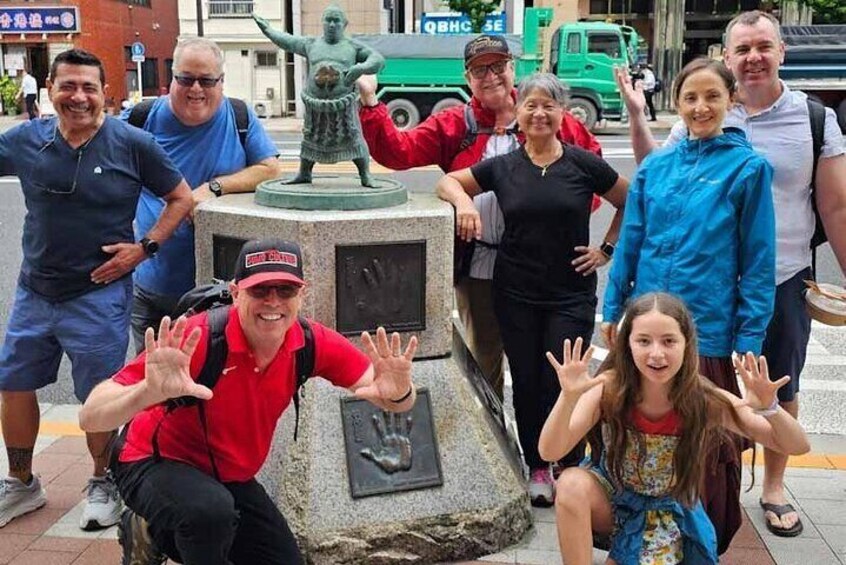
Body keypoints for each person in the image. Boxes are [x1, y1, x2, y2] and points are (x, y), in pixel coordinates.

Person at [614, 10, 846, 541]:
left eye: (764, 46)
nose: (754, 57)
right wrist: (634, 112)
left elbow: (835, 207)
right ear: (729, 59)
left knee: (775, 383)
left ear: (781, 51)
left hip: (781, 276)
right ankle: (670, 504)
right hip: (695, 297)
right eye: (743, 49)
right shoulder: (698, 126)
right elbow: (655, 180)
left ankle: (774, 487)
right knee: (696, 404)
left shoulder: (812, 119)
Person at [78, 238, 418, 565]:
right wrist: (146, 393)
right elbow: (91, 417)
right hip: (150, 462)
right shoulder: (198, 338)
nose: (273, 302)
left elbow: (393, 399)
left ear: (303, 293)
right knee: (209, 515)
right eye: (259, 290)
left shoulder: (311, 341)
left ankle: (151, 530)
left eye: (285, 290)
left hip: (228, 474)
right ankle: (158, 525)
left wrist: (399, 392)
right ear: (236, 292)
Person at [0, 49, 193, 530]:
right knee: (13, 384)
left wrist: (143, 248)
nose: (79, 97)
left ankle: (104, 480)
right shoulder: (25, 140)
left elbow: (181, 198)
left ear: (104, 92)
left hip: (98, 294)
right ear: (49, 88)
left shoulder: (132, 142)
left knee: (100, 395)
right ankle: (22, 483)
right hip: (34, 289)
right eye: (68, 86)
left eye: (89, 87)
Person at [359, 35, 603, 403]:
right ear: (467, 77)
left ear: (512, 68)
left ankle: (558, 450)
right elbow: (398, 152)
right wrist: (370, 101)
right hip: (481, 264)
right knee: (486, 359)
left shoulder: (548, 116)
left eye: (498, 66)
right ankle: (501, 446)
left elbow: (596, 175)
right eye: (479, 69)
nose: (490, 76)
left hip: (544, 266)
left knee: (551, 364)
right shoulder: (456, 123)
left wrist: (566, 218)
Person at [603, 57, 776, 552]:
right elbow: (631, 245)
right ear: (676, 104)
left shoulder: (748, 169)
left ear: (731, 100)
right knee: (638, 431)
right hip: (645, 329)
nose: (701, 107)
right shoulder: (655, 168)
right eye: (690, 98)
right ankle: (640, 536)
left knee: (706, 445)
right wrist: (612, 310)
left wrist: (749, 338)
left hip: (710, 332)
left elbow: (758, 262)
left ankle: (703, 543)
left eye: (712, 97)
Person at [436, 73, 628, 507]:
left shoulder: (583, 164)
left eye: (549, 105)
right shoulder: (504, 166)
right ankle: (538, 464)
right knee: (526, 379)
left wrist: (606, 249)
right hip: (515, 290)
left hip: (571, 292)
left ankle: (569, 462)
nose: (539, 113)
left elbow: (630, 199)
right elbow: (447, 182)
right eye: (531, 105)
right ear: (518, 112)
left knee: (566, 380)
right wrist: (465, 202)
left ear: (562, 114)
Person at [539, 293, 810, 565]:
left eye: (669, 341)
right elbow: (550, 450)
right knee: (571, 483)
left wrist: (770, 408)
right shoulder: (609, 388)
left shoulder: (701, 398)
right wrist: (568, 397)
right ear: (627, 345)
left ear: (686, 344)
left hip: (663, 514)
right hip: (610, 498)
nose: (656, 353)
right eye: (643, 341)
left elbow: (797, 445)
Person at [129, 37, 281, 353]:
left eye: (207, 80)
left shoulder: (239, 116)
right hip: (153, 288)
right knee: (152, 387)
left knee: (215, 387)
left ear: (221, 82)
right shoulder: (140, 119)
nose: (196, 89)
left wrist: (213, 188)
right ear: (172, 79)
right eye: (186, 78)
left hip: (221, 293)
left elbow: (269, 168)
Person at [253, 5, 384, 186]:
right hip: (315, 105)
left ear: (344, 24)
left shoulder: (353, 47)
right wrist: (268, 30)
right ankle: (304, 173)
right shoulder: (311, 44)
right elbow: (287, 41)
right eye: (328, 19)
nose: (332, 24)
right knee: (310, 139)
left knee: (354, 139)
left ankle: (365, 175)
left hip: (342, 106)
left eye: (336, 20)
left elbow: (378, 59)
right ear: (322, 22)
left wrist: (360, 68)